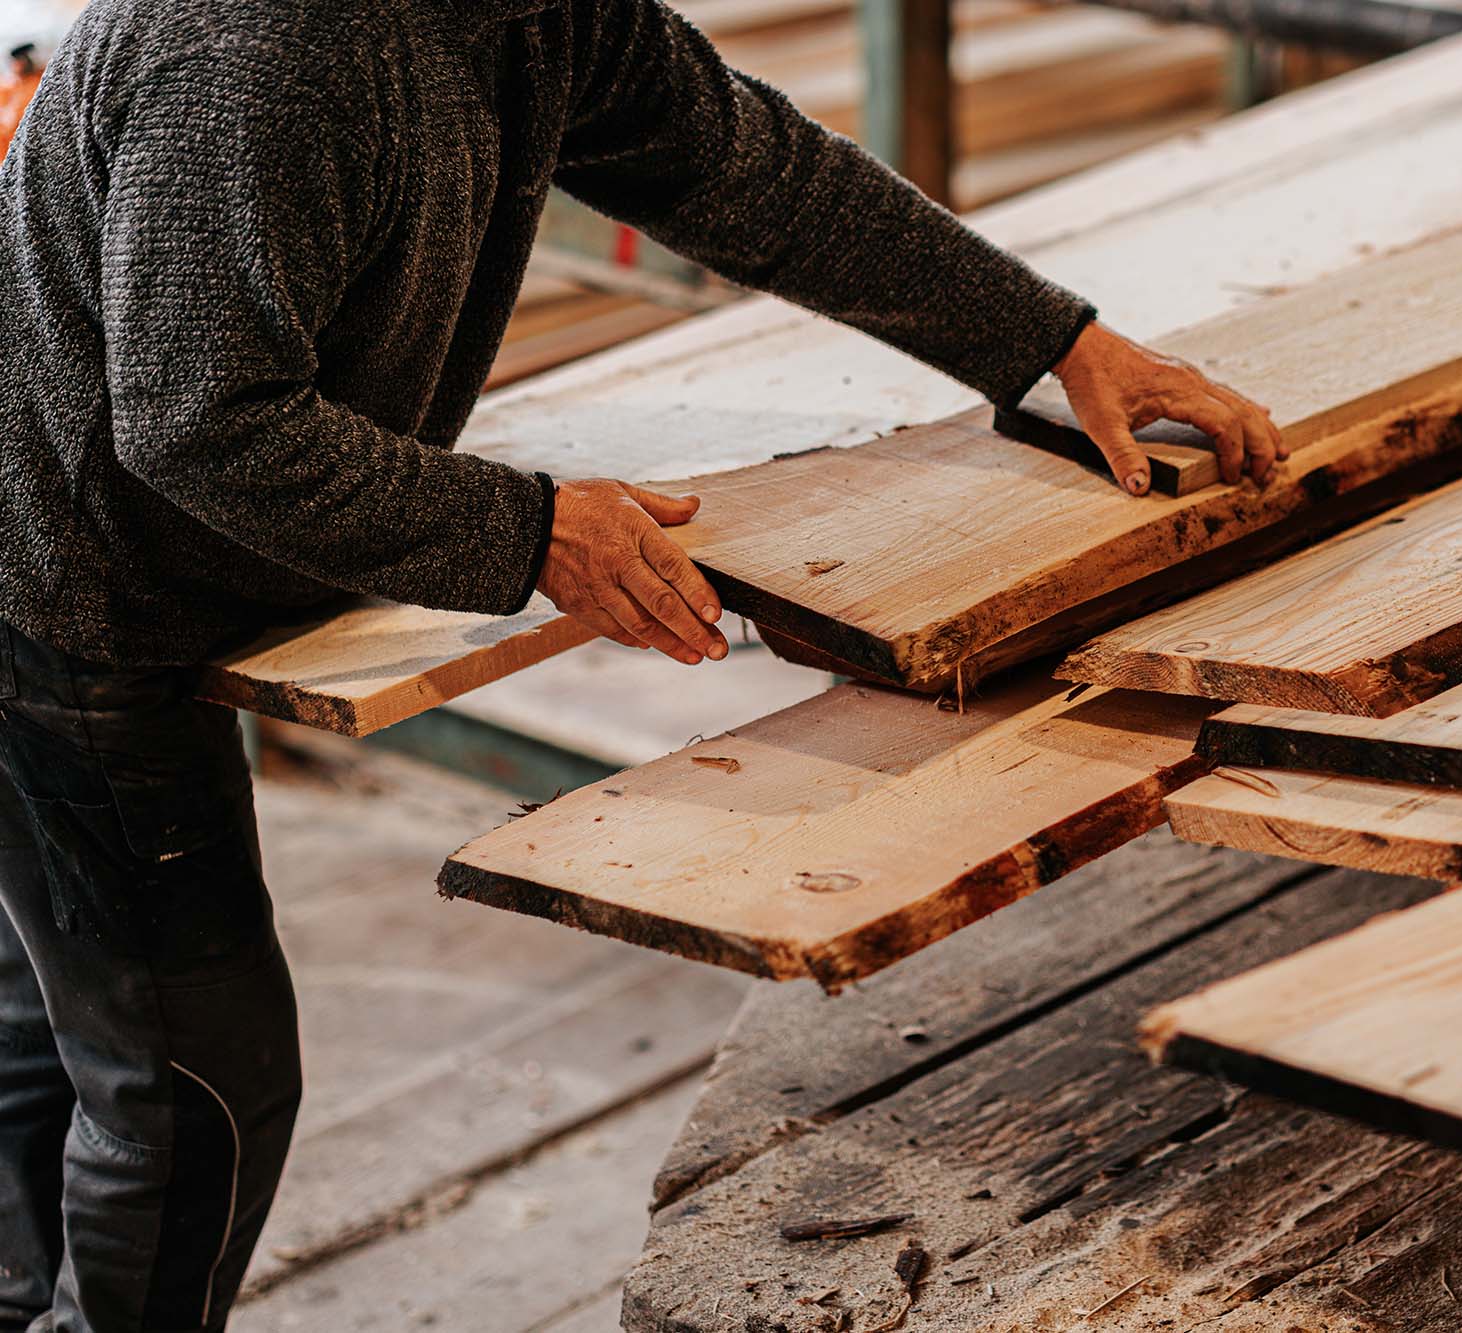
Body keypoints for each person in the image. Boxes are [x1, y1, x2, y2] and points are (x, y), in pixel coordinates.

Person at [0, 0, 1283, 1329]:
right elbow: (203, 424)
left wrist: (1057, 341)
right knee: (190, 1082)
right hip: (63, 586)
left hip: (123, 538)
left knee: (60, 1019)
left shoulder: (542, 11)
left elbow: (750, 173)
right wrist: (535, 530)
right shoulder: (261, 51)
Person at [0, 43, 40, 161]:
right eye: (18, 60)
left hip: (28, 144)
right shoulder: (7, 86)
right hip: (7, 150)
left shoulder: (38, 82)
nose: (21, 63)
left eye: (24, 59)